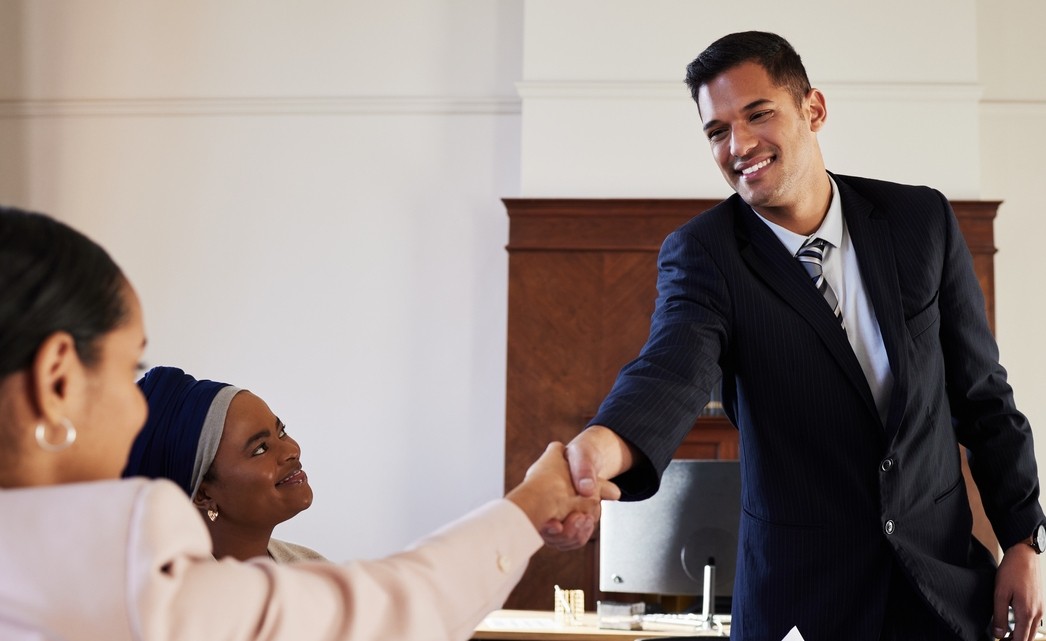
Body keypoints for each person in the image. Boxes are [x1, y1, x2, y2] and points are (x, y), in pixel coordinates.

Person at [540, 31, 1045, 641]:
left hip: (940, 597)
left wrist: (1022, 538)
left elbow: (983, 398)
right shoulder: (705, 255)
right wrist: (594, 453)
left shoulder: (920, 222)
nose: (738, 145)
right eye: (717, 131)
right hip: (798, 605)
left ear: (813, 110)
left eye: (758, 115)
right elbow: (668, 373)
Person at [0, 205, 618, 641]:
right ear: (58, 377)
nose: (135, 403)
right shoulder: (119, 561)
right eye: (126, 365)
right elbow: (401, 611)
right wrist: (533, 500)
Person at [123, 365, 326, 562]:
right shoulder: (184, 593)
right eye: (260, 449)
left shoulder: (314, 569)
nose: (292, 451)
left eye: (281, 432)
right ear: (203, 494)